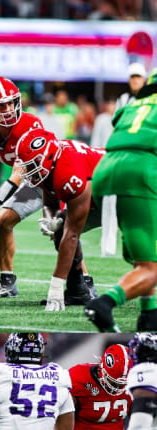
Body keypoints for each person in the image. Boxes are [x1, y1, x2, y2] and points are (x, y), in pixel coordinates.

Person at [88, 67, 157, 332]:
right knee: (153, 266)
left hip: (106, 171)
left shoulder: (132, 106)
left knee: (145, 255)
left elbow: (120, 123)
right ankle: (104, 303)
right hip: (139, 173)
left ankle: (149, 314)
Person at [13, 128, 103, 311]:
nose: (27, 170)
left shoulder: (69, 171)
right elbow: (50, 199)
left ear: (47, 158)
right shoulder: (52, 162)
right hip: (97, 192)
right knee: (60, 227)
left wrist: (55, 287)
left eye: (31, 164)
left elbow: (72, 236)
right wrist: (50, 219)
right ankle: (78, 291)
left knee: (141, 250)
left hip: (118, 193)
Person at [0, 77, 44, 299]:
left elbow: (18, 173)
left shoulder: (29, 124)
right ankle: (7, 282)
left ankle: (83, 282)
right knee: (3, 222)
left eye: (10, 102)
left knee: (64, 230)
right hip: (28, 182)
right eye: (0, 105)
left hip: (49, 181)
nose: (7, 109)